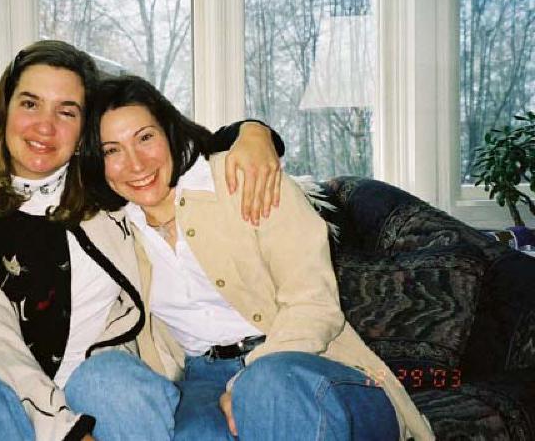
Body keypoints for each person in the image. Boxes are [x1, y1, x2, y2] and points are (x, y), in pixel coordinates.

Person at [0, 40, 285, 441]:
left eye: (66, 111)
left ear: (85, 129)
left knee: (110, 380)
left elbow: (183, 147)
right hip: (2, 406)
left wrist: (254, 134)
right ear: (3, 112)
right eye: (30, 104)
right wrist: (68, 432)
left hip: (103, 396)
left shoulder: (111, 184)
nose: (45, 127)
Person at [79, 74, 435, 441]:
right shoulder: (112, 231)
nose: (135, 164)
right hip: (201, 380)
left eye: (145, 137)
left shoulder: (244, 178)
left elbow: (314, 303)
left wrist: (250, 377)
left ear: (168, 132)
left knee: (269, 387)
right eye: (112, 150)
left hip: (305, 362)